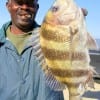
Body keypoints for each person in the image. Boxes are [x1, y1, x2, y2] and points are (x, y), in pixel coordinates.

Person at [0, 0, 87, 100]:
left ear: (37, 7)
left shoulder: (55, 36)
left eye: (30, 3)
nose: (24, 7)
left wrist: (76, 26)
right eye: (19, 2)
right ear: (8, 6)